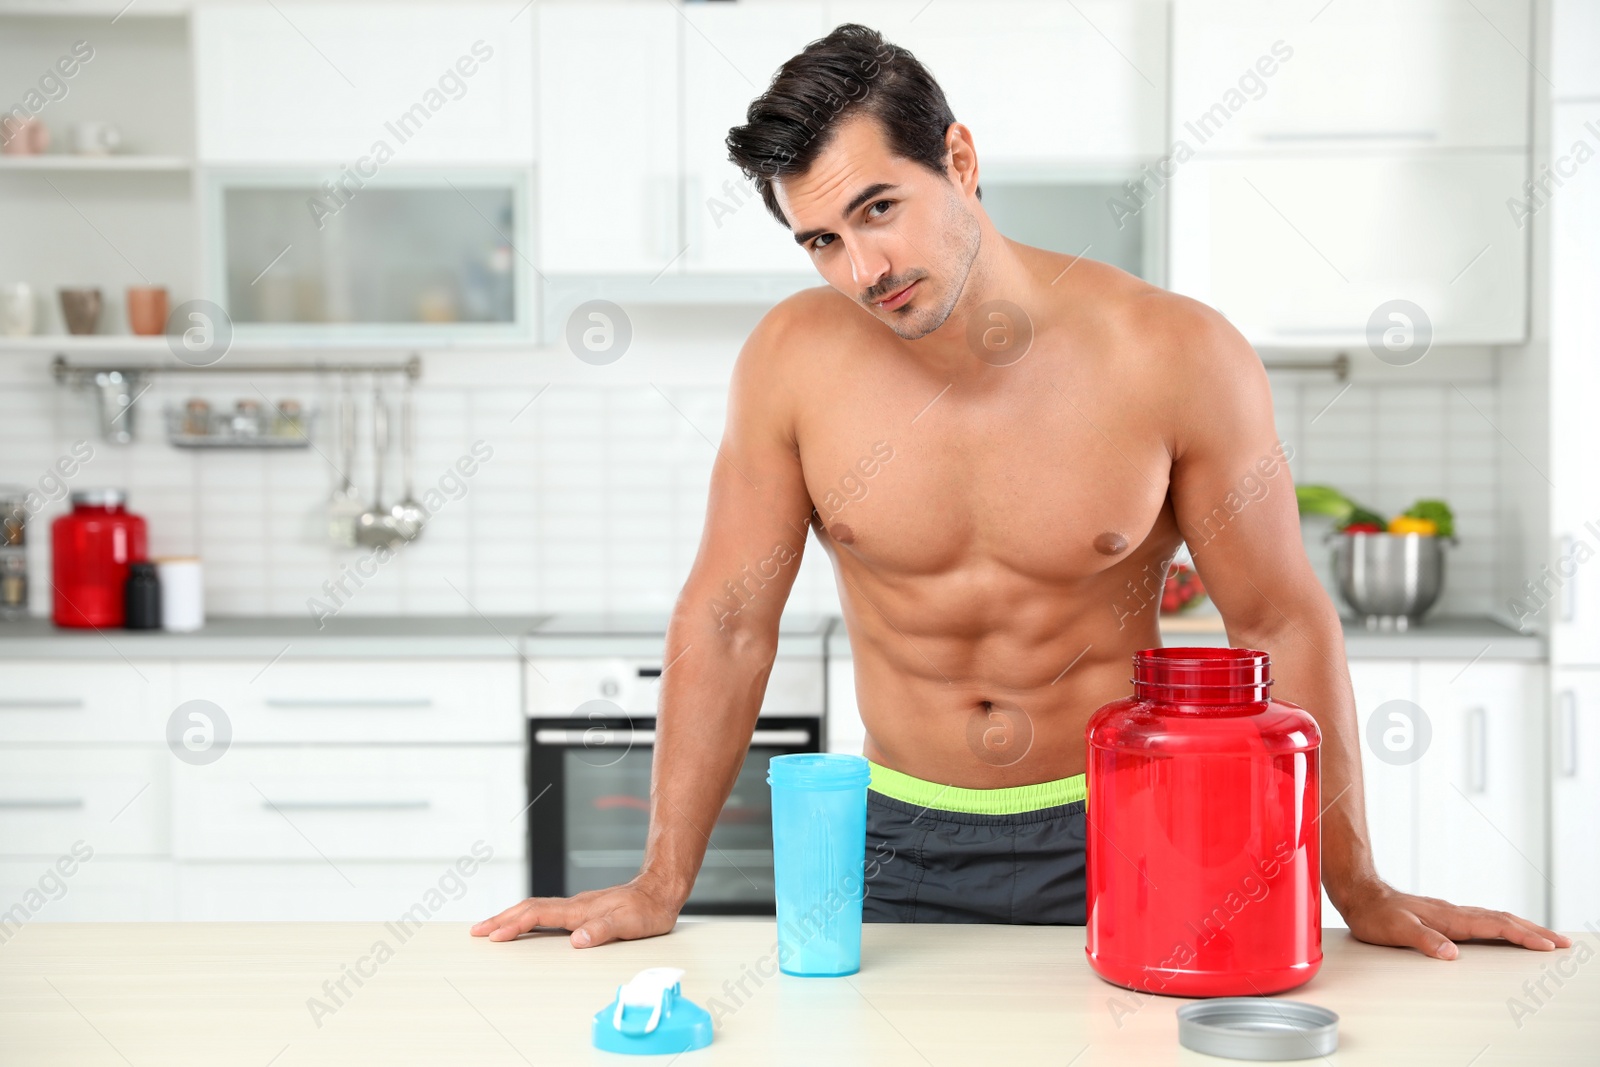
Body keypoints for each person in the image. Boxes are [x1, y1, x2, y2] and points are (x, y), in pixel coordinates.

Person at [473, 23, 1569, 958]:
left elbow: (1278, 617)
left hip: (1128, 829)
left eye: (878, 208)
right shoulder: (790, 361)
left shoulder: (1173, 353)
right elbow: (727, 618)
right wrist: (660, 879)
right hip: (893, 839)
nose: (861, 267)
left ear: (958, 157)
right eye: (819, 239)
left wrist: (1357, 885)